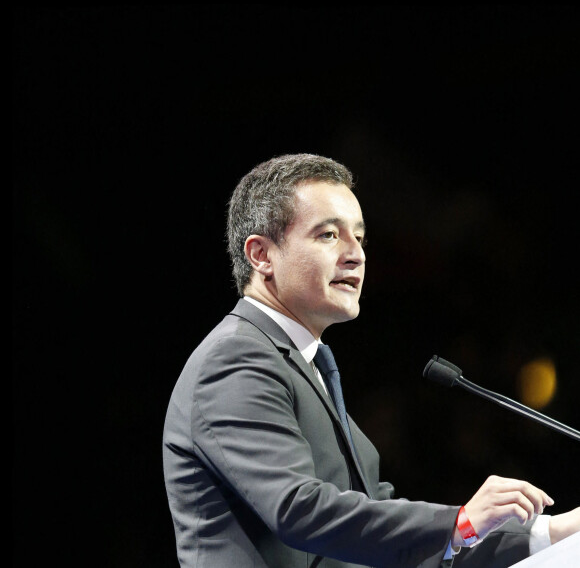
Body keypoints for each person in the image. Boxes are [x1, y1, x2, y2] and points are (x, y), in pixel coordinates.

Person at [162, 154, 579, 567]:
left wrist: (553, 532)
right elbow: (299, 509)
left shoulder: (305, 366)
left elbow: (389, 543)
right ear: (261, 255)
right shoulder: (234, 359)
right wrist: (461, 520)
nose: (356, 255)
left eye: (359, 238)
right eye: (328, 235)